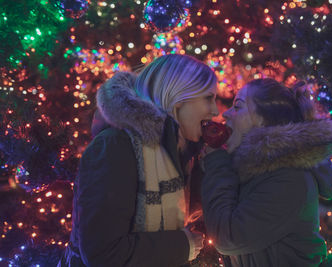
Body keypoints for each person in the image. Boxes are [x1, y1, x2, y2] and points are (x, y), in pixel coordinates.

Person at [58, 54, 219, 266]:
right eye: (208, 98)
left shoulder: (184, 154)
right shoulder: (116, 146)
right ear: (178, 99)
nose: (215, 111)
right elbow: (103, 253)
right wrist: (182, 245)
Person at [200, 78, 332, 266]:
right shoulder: (255, 170)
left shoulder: (288, 179)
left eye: (238, 106)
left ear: (262, 121)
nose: (225, 113)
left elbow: (228, 238)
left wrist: (217, 162)